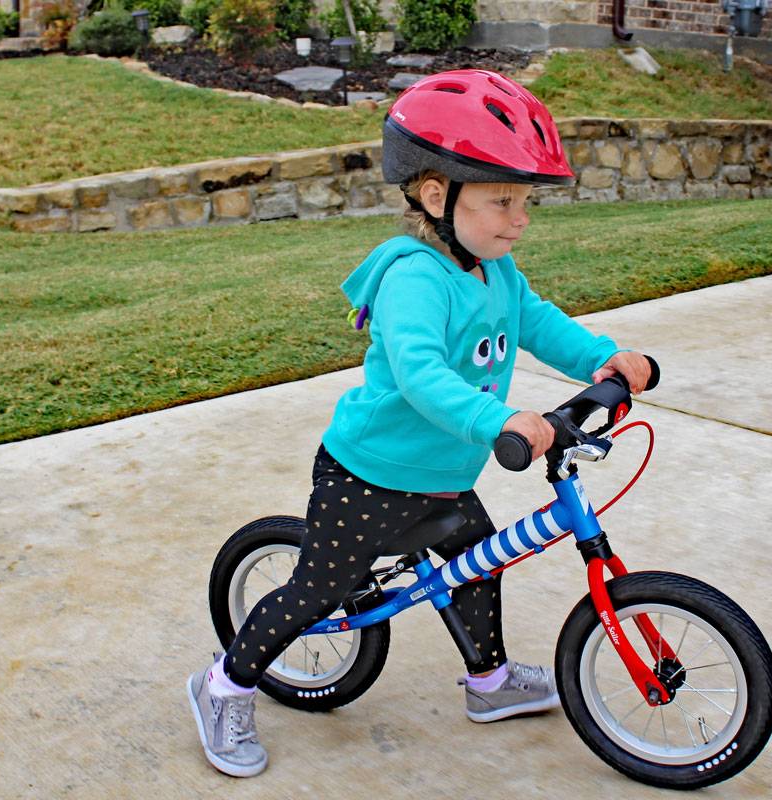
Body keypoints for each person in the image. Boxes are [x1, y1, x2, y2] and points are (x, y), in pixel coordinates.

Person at [187, 68, 652, 778]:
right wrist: (502, 419)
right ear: (437, 195)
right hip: (368, 472)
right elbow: (422, 376)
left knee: (478, 565)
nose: (519, 218)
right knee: (317, 590)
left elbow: (537, 324)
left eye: (524, 201)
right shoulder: (414, 278)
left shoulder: (497, 270)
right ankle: (224, 685)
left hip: (441, 475)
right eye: (501, 200)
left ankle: (489, 683)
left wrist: (603, 361)